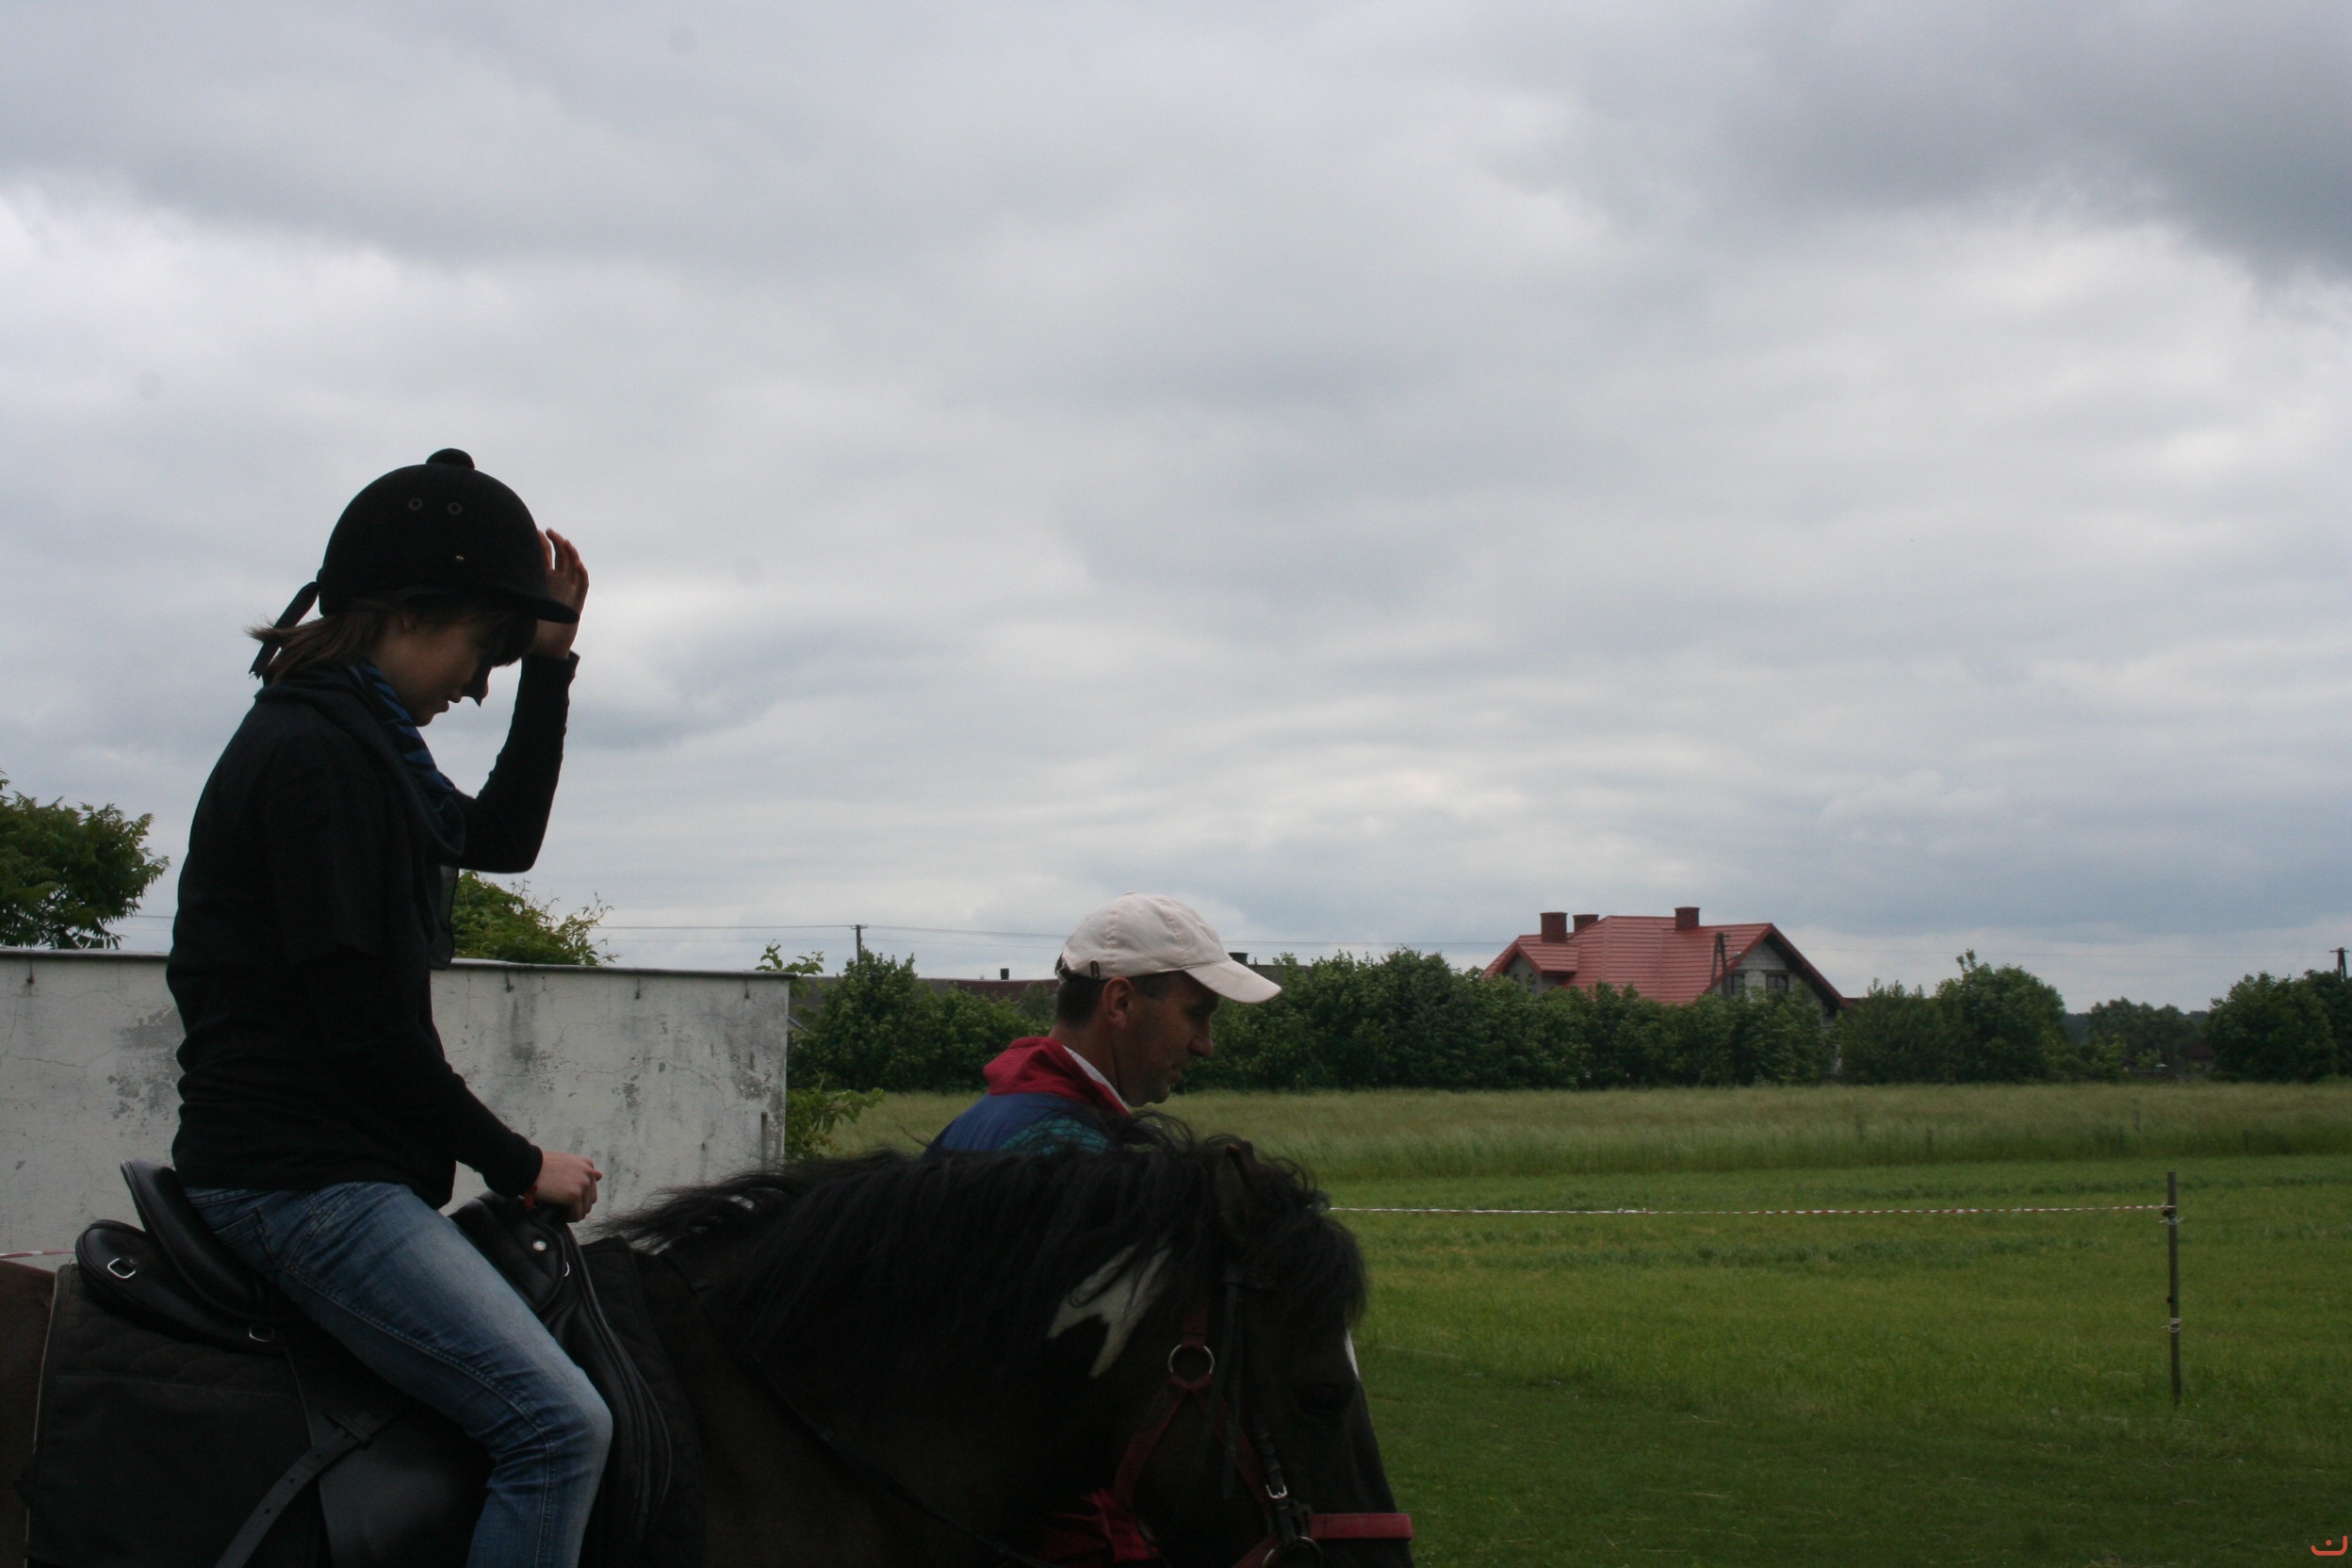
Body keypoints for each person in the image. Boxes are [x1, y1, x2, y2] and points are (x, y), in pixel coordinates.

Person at [169, 449, 612, 1568]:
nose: (475, 684)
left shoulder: (361, 745)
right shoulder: (320, 758)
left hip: (327, 1166)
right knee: (560, 1427)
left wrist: (549, 666)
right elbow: (367, 1032)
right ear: (409, 612)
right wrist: (521, 1163)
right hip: (302, 1182)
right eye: (480, 646)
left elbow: (500, 838)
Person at [932, 892, 1282, 1566]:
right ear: (1120, 1003)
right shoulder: (1071, 1160)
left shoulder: (989, 1120)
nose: (1206, 1046)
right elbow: (1060, 1410)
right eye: (1197, 1014)